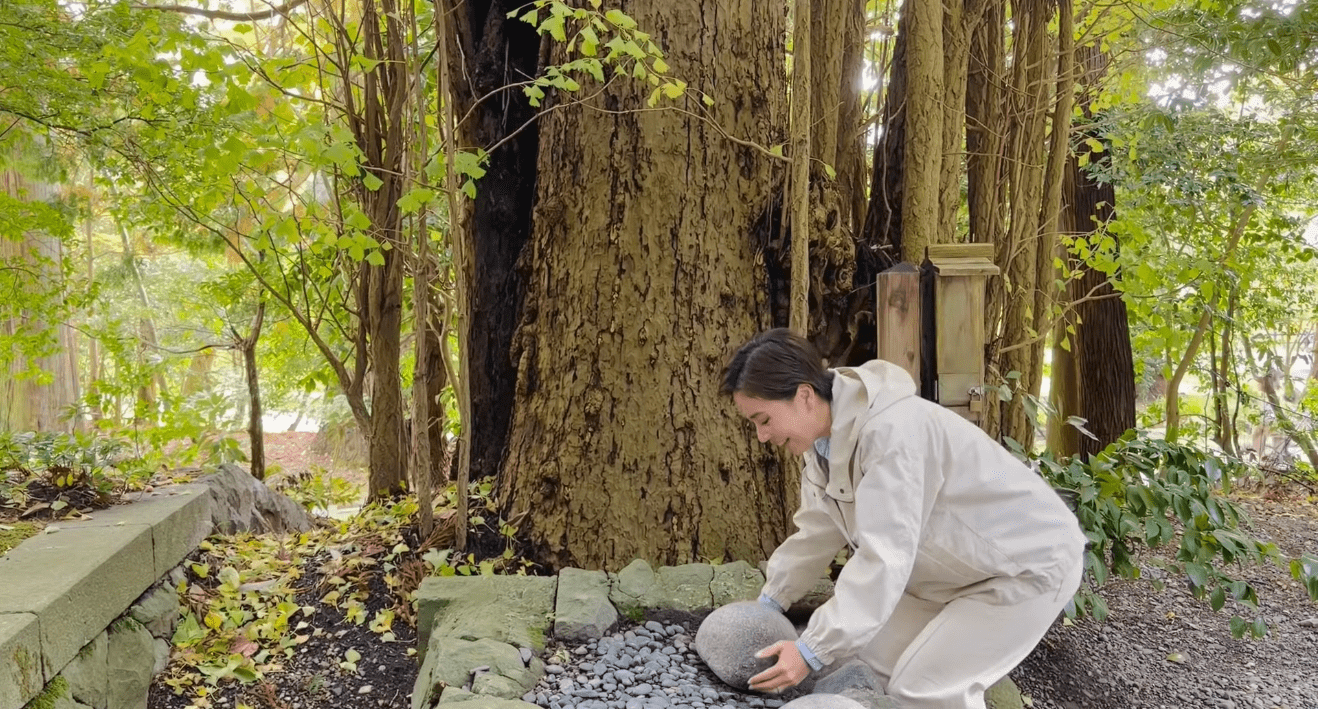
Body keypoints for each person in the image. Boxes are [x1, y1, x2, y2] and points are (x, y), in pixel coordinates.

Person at [721, 328, 1086, 709]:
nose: (762, 436)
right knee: (864, 663)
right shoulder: (824, 446)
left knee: (925, 690)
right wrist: (770, 602)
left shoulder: (892, 433)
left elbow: (885, 557)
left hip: (1025, 567)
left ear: (804, 396)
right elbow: (816, 531)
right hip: (950, 574)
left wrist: (810, 649)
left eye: (764, 419)